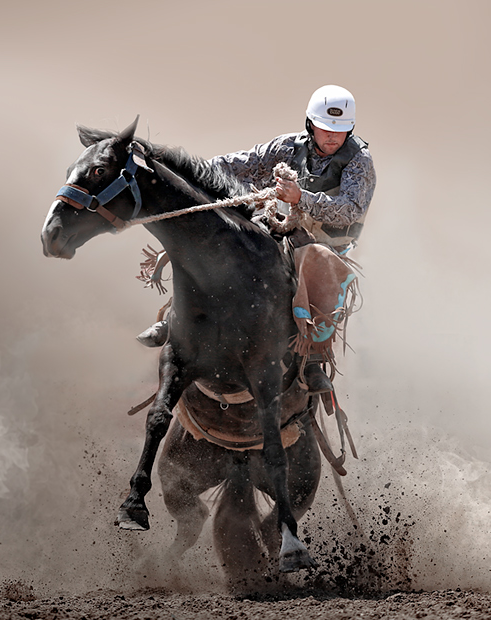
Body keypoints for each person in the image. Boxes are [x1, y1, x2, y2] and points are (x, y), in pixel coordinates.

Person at [137, 84, 376, 395]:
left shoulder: (360, 161)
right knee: (223, 241)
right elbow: (235, 165)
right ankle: (176, 319)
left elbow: (350, 210)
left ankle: (311, 359)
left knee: (314, 260)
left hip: (326, 245)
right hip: (280, 226)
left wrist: (301, 197)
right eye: (325, 128)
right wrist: (187, 174)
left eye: (340, 130)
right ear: (311, 124)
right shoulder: (288, 147)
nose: (332, 136)